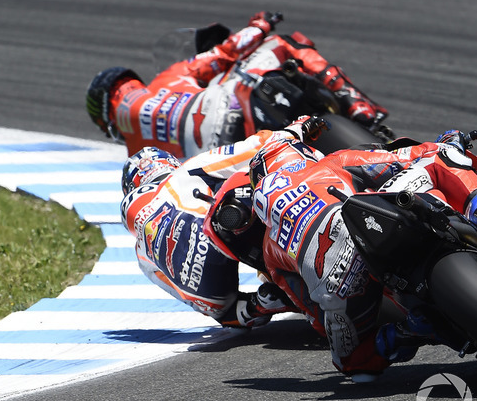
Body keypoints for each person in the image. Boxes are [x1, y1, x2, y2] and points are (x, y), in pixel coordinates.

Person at [248, 123, 477, 381]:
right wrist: (450, 143)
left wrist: (340, 317)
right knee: (440, 157)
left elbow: (308, 308)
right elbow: (405, 158)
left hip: (338, 283)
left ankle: (409, 330)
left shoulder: (269, 246)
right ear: (302, 154)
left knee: (355, 366)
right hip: (371, 222)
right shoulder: (329, 163)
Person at [86, 12, 388, 158]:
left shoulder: (137, 156)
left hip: (226, 159)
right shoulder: (167, 80)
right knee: (283, 43)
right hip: (232, 107)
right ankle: (358, 104)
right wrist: (260, 25)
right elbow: (224, 52)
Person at [118, 119, 325, 328]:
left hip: (210, 292)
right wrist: (295, 129)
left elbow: (181, 294)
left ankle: (259, 304)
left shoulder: (142, 257)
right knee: (253, 178)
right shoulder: (185, 171)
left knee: (225, 313)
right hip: (222, 228)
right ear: (169, 163)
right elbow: (254, 146)